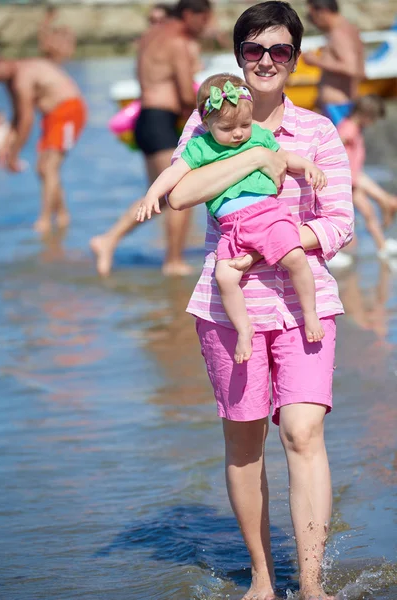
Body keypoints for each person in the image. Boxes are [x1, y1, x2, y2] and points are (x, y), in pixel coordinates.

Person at [166, 2, 354, 599]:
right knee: (245, 439)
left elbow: (338, 223)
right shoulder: (203, 126)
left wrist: (270, 248)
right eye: (255, 49)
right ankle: (263, 580)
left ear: (294, 59)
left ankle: (313, 582)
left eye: (280, 51)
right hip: (229, 309)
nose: (267, 60)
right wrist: (251, 154)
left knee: (302, 431)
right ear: (239, 56)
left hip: (305, 304)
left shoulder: (317, 131)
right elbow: (180, 193)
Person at [137, 73, 327, 361]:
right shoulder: (200, 147)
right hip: (232, 228)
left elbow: (286, 158)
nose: (238, 133)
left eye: (244, 125)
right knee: (224, 276)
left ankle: (310, 314)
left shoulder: (260, 138)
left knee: (296, 259)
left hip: (267, 215)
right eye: (227, 128)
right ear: (206, 124)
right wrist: (152, 194)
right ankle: (243, 329)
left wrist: (308, 166)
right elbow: (174, 174)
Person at [90, 0, 212, 277]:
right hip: (161, 121)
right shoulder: (178, 42)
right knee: (180, 193)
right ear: (191, 14)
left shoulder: (150, 36)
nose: (205, 27)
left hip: (144, 119)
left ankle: (107, 240)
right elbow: (184, 93)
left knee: (158, 198)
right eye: (204, 20)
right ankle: (172, 261)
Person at [0, 57, 87, 233]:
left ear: (2, 63)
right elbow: (17, 117)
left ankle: (45, 220)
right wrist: (6, 146)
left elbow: (27, 120)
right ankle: (62, 216)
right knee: (43, 168)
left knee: (48, 167)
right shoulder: (11, 82)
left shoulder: (23, 76)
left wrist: (14, 154)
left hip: (68, 111)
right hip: (51, 117)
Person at [337, 95, 397, 259]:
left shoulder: (354, 128)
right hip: (348, 179)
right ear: (366, 115)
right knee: (349, 216)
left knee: (369, 212)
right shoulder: (348, 128)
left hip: (353, 179)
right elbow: (335, 146)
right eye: (373, 118)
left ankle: (382, 247)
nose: (374, 123)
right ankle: (340, 251)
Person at [303, 0, 365, 126]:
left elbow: (351, 68)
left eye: (312, 15)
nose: (312, 21)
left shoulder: (338, 34)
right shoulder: (349, 29)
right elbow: (361, 70)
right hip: (344, 103)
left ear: (323, 12)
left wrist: (316, 60)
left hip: (337, 107)